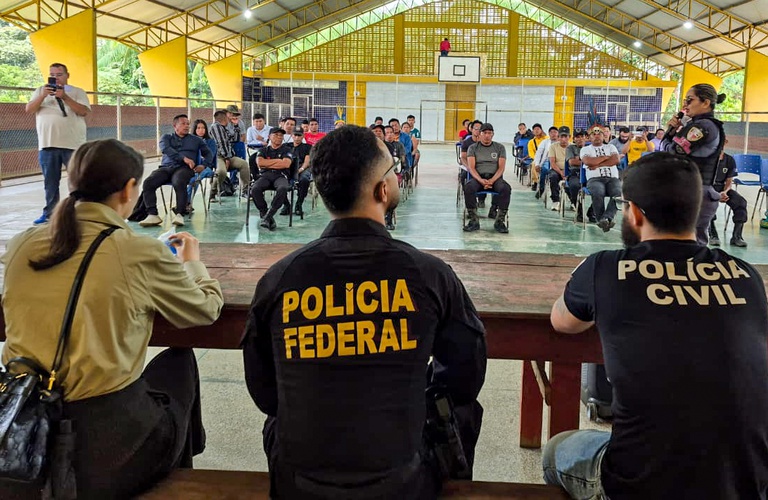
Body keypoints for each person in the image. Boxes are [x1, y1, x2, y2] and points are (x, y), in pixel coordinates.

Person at [242, 125, 486, 500]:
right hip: (403, 484)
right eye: (392, 170)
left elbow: (265, 393)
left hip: (300, 485)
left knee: (283, 417)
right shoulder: (428, 275)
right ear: (382, 190)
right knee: (463, 411)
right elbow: (466, 376)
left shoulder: (280, 279)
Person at [0, 139, 223, 498]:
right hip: (104, 445)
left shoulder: (21, 244)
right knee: (179, 362)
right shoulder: (136, 250)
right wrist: (193, 262)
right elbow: (205, 310)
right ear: (129, 189)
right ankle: (173, 476)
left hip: (23, 430)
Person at [545, 152, 768, 500]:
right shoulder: (746, 275)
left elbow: (562, 322)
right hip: (746, 482)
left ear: (634, 212)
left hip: (639, 484)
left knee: (557, 450)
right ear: (695, 210)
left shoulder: (604, 267)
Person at [26, 62, 91, 225]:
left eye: (59, 75)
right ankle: (50, 213)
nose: (56, 78)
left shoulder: (77, 92)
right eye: (52, 75)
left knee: (76, 181)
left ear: (67, 75)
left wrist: (65, 97)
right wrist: (42, 96)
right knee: (50, 183)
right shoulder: (40, 91)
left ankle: (78, 212)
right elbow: (29, 109)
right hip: (47, 144)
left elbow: (83, 111)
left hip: (73, 145)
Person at [662, 84, 727, 246]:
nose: (685, 104)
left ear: (705, 103)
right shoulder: (697, 124)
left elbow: (674, 152)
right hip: (688, 190)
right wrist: (673, 131)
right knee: (677, 244)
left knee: (688, 247)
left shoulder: (703, 126)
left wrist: (669, 137)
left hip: (694, 193)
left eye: (690, 100)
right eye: (685, 100)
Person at [139, 114, 213, 227]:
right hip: (166, 168)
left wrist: (203, 165)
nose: (187, 126)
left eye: (188, 124)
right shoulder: (166, 138)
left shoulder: (196, 140)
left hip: (185, 169)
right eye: (183, 124)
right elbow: (166, 149)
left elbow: (209, 154)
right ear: (175, 126)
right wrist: (184, 158)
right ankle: (152, 214)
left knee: (178, 181)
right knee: (148, 182)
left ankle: (179, 214)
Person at [463, 123, 510, 234]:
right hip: (478, 178)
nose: (487, 135)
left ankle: (499, 221)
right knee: (468, 187)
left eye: (490, 133)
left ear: (493, 134)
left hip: (495, 178)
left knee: (505, 188)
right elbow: (471, 168)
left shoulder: (500, 148)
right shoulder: (473, 148)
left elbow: (501, 168)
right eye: (485, 133)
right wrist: (481, 180)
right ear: (480, 134)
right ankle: (474, 220)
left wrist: (492, 180)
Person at [250, 128, 293, 231]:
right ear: (269, 137)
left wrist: (268, 163)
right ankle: (265, 214)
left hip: (281, 175)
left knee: (283, 188)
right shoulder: (263, 150)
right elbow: (260, 163)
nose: (279, 137)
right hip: (265, 175)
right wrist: (278, 161)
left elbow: (286, 164)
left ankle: (268, 216)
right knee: (255, 189)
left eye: (281, 135)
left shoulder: (287, 150)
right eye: (276, 135)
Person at [580, 127, 621, 232]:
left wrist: (598, 165)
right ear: (589, 137)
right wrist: (605, 157)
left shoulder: (611, 147)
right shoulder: (585, 149)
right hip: (595, 179)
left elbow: (616, 160)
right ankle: (602, 220)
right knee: (598, 192)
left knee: (618, 193)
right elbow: (588, 161)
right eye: (594, 134)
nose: (597, 136)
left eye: (599, 134)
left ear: (604, 136)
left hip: (612, 179)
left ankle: (606, 218)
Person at [709, 146, 747, 247]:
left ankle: (736, 236)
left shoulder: (729, 160)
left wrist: (724, 192)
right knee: (707, 203)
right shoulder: (706, 159)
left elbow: (729, 181)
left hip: (723, 188)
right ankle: (713, 235)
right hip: (708, 188)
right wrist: (716, 195)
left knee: (741, 202)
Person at [209, 109, 251, 200]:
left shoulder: (224, 128)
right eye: (229, 117)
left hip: (229, 155)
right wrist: (227, 158)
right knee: (222, 172)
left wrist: (236, 125)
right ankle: (213, 192)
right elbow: (221, 143)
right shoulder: (215, 126)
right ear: (224, 118)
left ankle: (245, 191)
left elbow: (235, 139)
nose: (230, 118)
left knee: (244, 164)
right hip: (219, 157)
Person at [547, 126, 571, 212]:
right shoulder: (553, 146)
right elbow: (552, 163)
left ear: (569, 137)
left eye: (565, 136)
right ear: (558, 137)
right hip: (556, 169)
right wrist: (561, 172)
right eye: (561, 136)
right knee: (553, 177)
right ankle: (555, 200)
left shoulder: (572, 147)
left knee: (573, 180)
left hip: (570, 170)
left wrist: (566, 172)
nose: (563, 139)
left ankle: (573, 201)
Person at [290, 129, 312, 216]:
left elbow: (307, 161)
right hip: (288, 168)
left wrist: (300, 169)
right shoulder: (286, 146)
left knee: (304, 179)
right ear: (292, 135)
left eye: (299, 135)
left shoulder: (307, 147)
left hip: (303, 168)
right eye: (295, 135)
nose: (297, 137)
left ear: (303, 136)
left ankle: (299, 204)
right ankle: (286, 205)